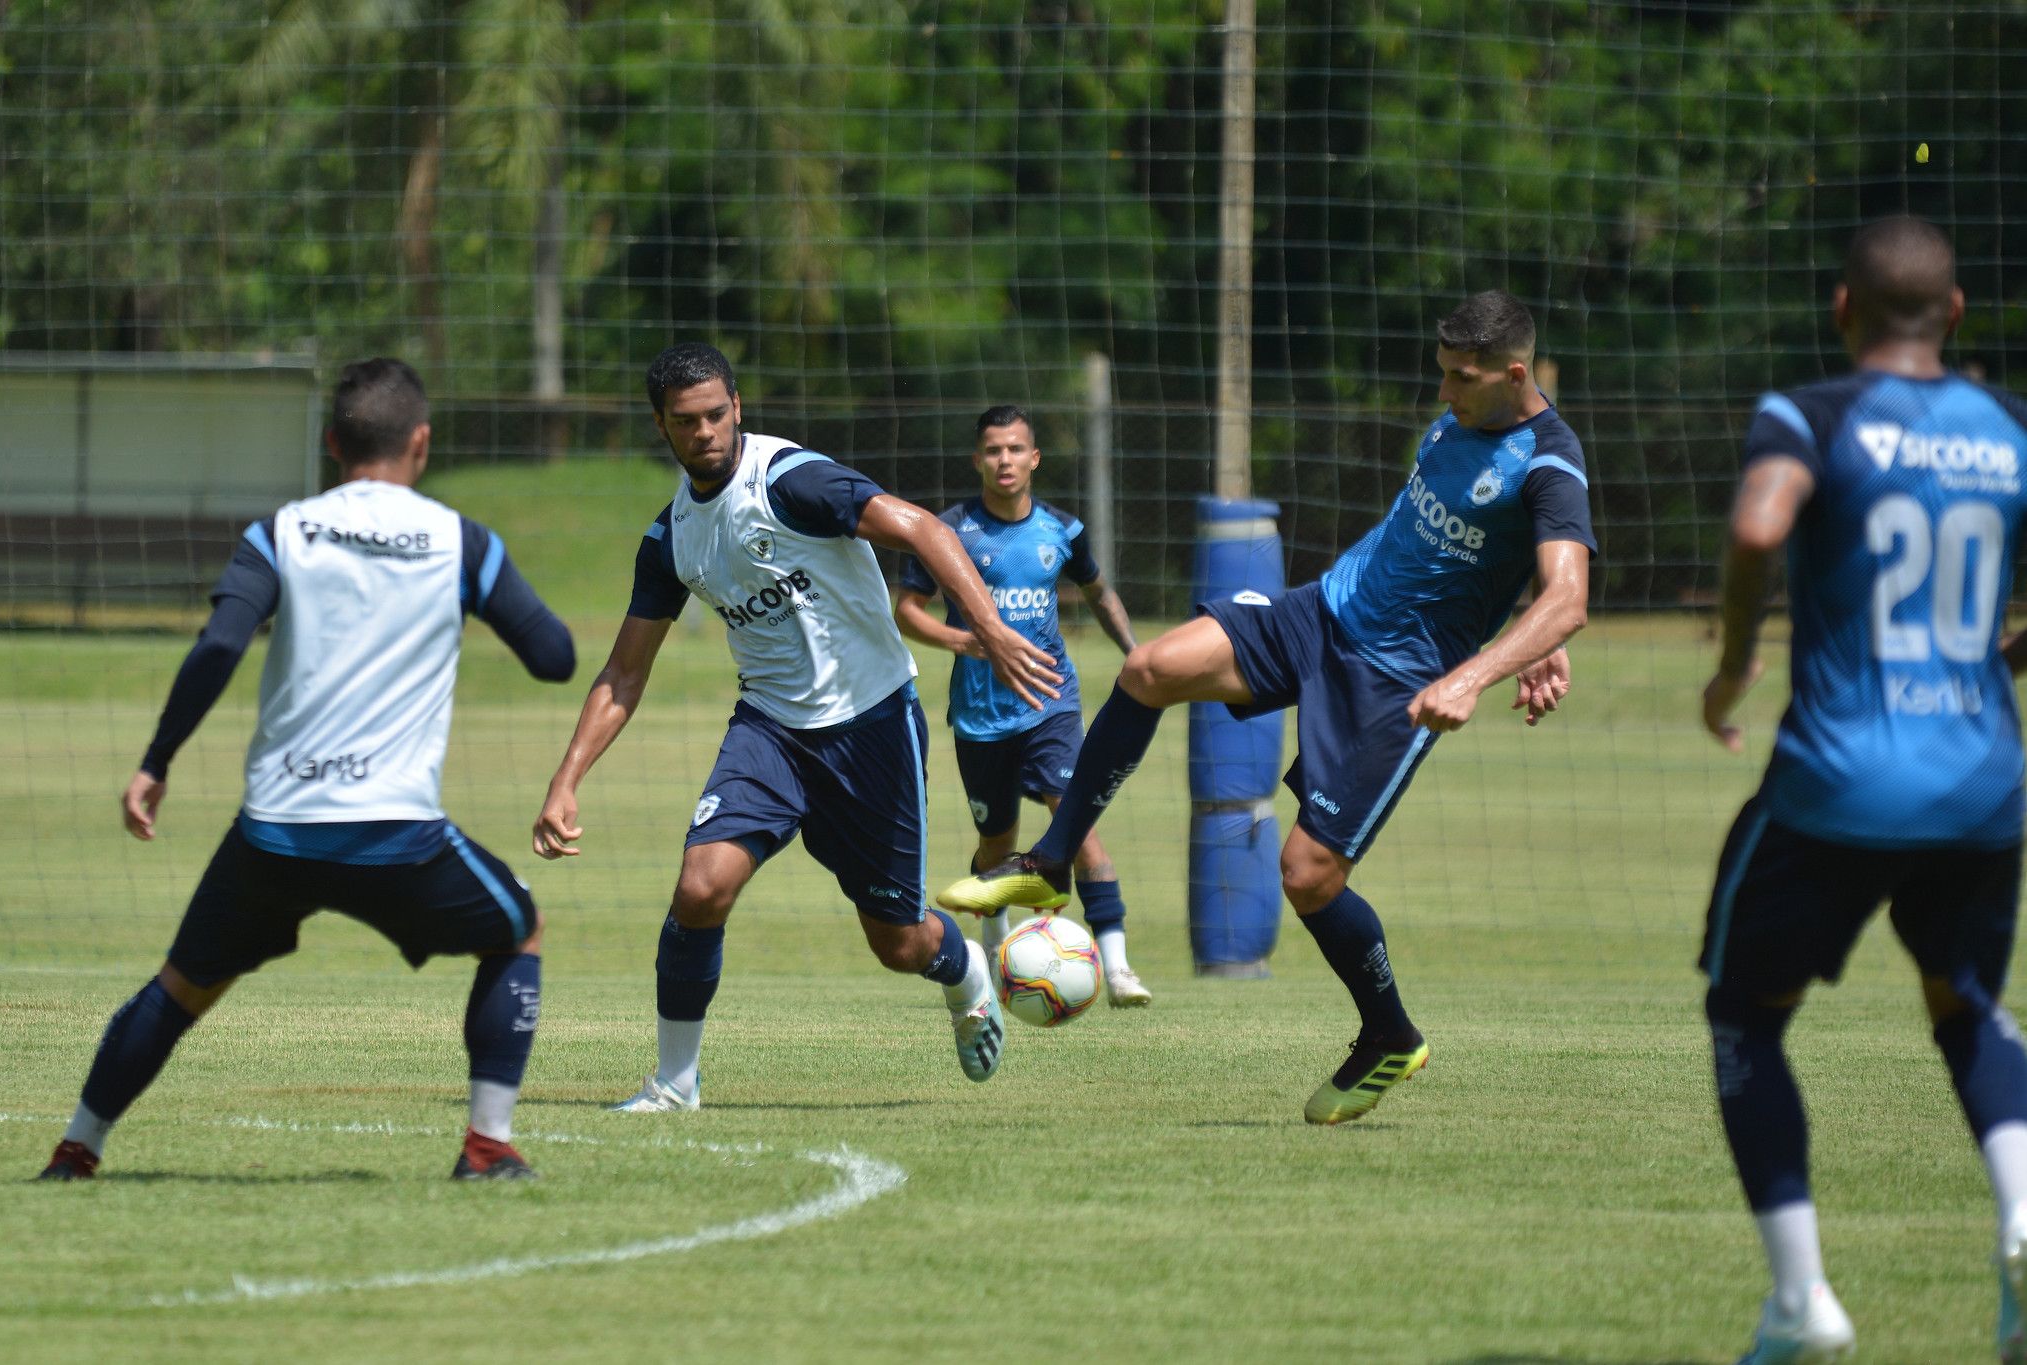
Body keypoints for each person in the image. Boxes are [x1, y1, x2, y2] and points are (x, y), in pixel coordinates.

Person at [940, 290, 1595, 1125]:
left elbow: (1567, 593)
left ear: (1515, 373)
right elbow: (1517, 571)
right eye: (1440, 374)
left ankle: (1387, 1033)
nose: (1443, 392)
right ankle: (1051, 861)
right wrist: (1536, 630)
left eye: (1462, 378)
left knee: (1307, 875)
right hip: (1321, 612)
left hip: (1395, 680)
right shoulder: (1457, 420)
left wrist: (1481, 671)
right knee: (1149, 667)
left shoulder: (1549, 460)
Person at [37, 358, 576, 1183]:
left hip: (276, 831)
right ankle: (487, 1145)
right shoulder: (460, 541)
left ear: (331, 444)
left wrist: (156, 762)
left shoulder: (280, 533)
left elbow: (219, 644)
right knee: (518, 929)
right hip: (397, 831)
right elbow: (553, 658)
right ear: (421, 443)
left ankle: (78, 1147)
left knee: (182, 986)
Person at [530, 343, 1061, 1112]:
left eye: (717, 413)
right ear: (662, 427)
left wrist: (992, 630)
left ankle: (964, 976)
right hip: (770, 731)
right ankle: (675, 1083)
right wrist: (565, 779)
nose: (705, 431)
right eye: (686, 421)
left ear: (737, 407)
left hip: (873, 724)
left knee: (898, 941)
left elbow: (920, 529)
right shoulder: (671, 538)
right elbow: (624, 670)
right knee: (699, 887)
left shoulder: (792, 480)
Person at [1700, 216, 2027, 1364]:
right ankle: (2023, 1211)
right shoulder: (2004, 428)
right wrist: (2000, 658)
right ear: (1953, 315)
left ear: (1842, 309)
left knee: (1744, 1013)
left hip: (1840, 784)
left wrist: (1735, 665)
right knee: (1965, 1006)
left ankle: (1802, 1302)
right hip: (1985, 785)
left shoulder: (1812, 414)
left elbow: (1755, 523)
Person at [895, 405, 1152, 1006]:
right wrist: (966, 641)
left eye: (1015, 449)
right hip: (981, 718)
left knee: (1077, 824)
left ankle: (1116, 968)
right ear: (977, 459)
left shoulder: (1061, 530)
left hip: (1050, 701)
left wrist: (1136, 654)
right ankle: (992, 955)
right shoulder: (950, 530)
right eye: (993, 450)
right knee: (996, 846)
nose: (1004, 460)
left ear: (1034, 458)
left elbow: (1100, 593)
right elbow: (906, 608)